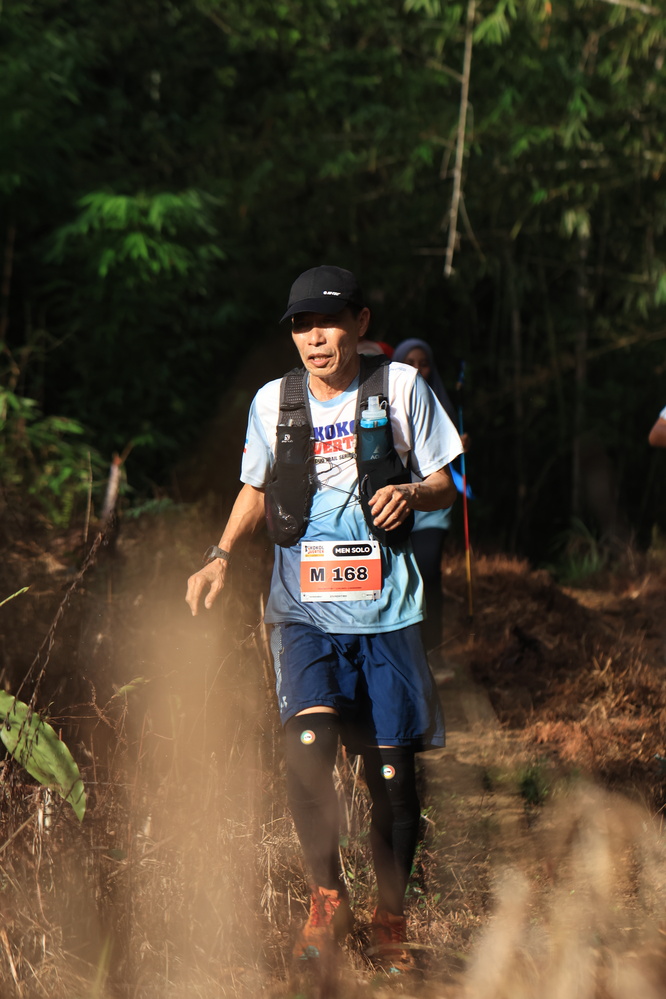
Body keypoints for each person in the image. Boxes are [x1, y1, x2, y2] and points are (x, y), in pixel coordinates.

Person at [186, 266, 462, 971]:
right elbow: (255, 487)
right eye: (301, 326)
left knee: (392, 776)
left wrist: (411, 492)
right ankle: (327, 899)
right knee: (307, 747)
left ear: (360, 324)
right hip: (302, 612)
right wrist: (220, 554)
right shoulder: (273, 401)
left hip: (388, 613)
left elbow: (445, 482)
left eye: (328, 322)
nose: (314, 337)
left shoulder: (401, 388)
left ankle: (392, 918)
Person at [392, 338, 461, 654]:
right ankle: (409, 648)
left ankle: (433, 647)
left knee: (428, 569)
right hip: (398, 503)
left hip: (433, 507)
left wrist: (460, 446)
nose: (418, 369)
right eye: (410, 363)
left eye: (424, 363)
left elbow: (448, 463)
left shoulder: (444, 405)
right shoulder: (384, 401)